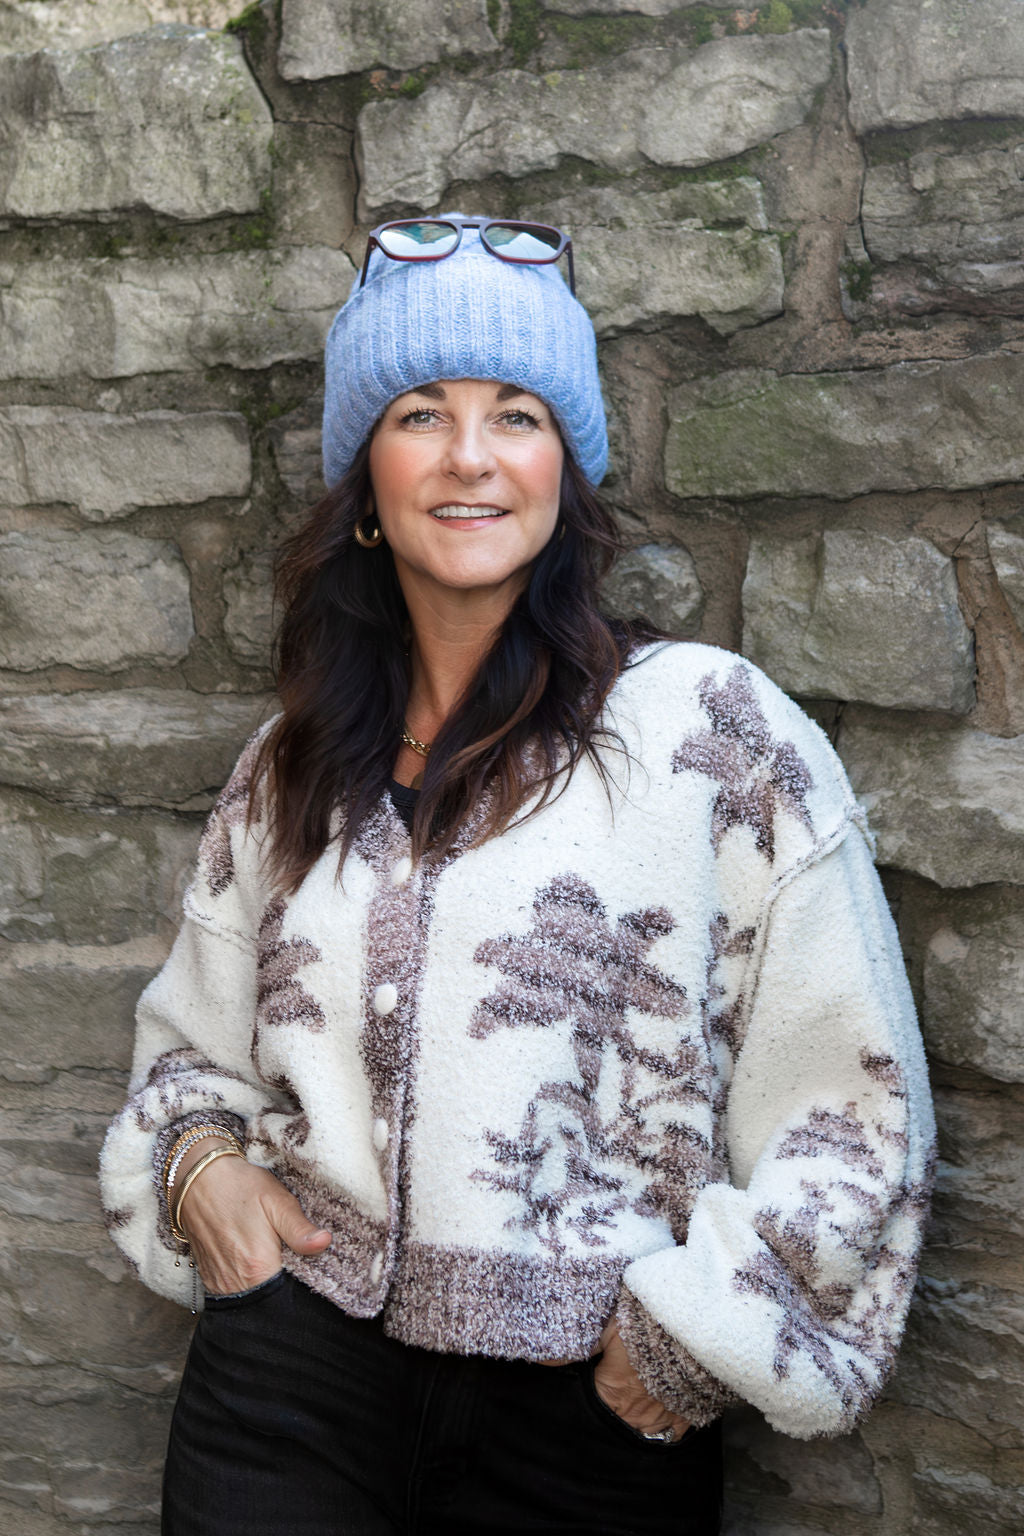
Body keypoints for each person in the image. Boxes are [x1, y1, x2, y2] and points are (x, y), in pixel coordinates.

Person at [100, 215, 935, 1536]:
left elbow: (857, 1107)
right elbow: (189, 1057)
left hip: (582, 1431)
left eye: (517, 415)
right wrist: (198, 1166)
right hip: (288, 1392)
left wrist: (679, 1351)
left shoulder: (709, 734)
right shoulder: (292, 763)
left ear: (566, 468)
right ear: (365, 478)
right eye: (421, 414)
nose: (471, 456)